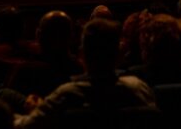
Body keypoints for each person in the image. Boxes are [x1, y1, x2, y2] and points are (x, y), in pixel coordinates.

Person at [14, 18, 157, 128]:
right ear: (119, 55)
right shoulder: (139, 87)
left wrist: (33, 110)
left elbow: (25, 125)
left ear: (82, 53)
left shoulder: (67, 94)